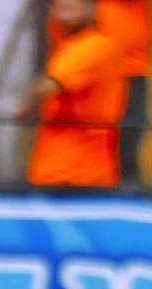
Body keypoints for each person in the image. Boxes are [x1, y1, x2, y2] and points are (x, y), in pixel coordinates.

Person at [22, 0, 126, 189]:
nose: (62, 14)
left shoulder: (93, 45)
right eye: (58, 8)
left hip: (75, 176)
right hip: (63, 172)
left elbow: (49, 85)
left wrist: (23, 106)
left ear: (91, 8)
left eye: (70, 8)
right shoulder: (70, 45)